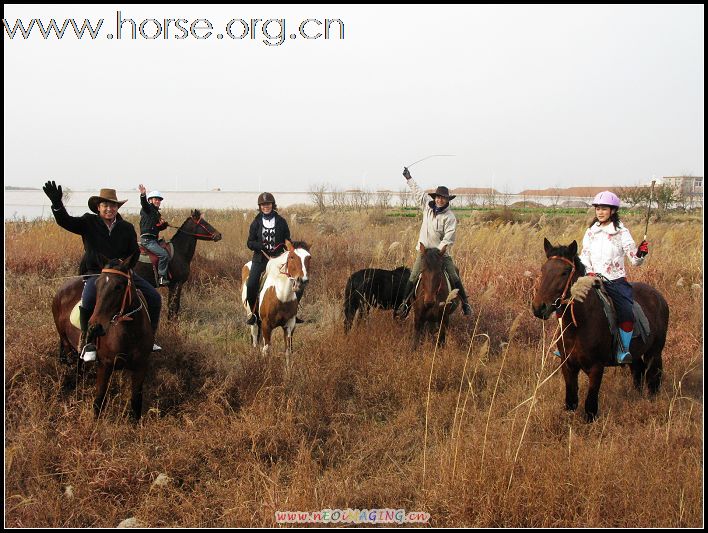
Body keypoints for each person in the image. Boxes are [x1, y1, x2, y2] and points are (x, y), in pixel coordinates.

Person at [42, 181, 163, 360]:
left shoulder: (126, 228)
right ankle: (88, 342)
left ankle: (149, 337)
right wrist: (57, 204)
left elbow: (135, 252)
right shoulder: (87, 222)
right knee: (89, 300)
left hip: (122, 274)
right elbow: (65, 221)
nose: (109, 209)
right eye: (105, 205)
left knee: (154, 297)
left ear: (117, 208)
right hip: (96, 273)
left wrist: (125, 265)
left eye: (113, 205)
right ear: (98, 207)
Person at [577, 190, 649, 364]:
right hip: (590, 278)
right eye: (598, 208)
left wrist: (641, 253)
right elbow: (584, 255)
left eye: (604, 208)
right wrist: (589, 271)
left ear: (613, 211)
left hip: (614, 280)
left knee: (625, 310)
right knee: (567, 305)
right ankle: (563, 345)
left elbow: (634, 260)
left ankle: (623, 350)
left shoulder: (622, 232)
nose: (600, 212)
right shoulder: (591, 232)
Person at [395, 167, 472, 319]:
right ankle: (404, 305)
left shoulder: (450, 217)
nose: (439, 199)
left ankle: (465, 305)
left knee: (454, 275)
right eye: (438, 197)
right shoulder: (427, 207)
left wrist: (438, 252)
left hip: (440, 254)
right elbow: (418, 192)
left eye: (443, 198)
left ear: (447, 200)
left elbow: (448, 238)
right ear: (435, 197)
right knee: (413, 276)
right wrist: (409, 178)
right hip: (424, 253)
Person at [245, 192, 294, 325]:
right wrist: (258, 245)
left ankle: (294, 312)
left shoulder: (281, 222)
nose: (266, 206)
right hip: (261, 259)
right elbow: (249, 242)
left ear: (272, 205)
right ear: (260, 206)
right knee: (251, 285)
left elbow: (287, 239)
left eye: (268, 204)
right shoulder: (256, 222)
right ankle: (253, 314)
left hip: (278, 260)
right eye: (263, 205)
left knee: (296, 282)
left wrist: (290, 248)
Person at [138, 184, 170, 286]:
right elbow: (144, 203)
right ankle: (162, 278)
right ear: (150, 200)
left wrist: (164, 225)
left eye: (159, 200)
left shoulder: (156, 213)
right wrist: (143, 195)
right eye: (156, 199)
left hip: (154, 239)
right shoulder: (148, 208)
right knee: (164, 255)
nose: (158, 201)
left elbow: (157, 227)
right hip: (148, 240)